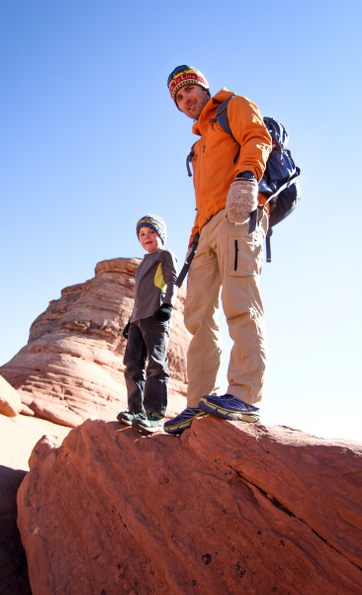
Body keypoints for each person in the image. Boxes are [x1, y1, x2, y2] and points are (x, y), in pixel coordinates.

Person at [163, 65, 272, 435]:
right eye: (178, 97)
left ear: (203, 87)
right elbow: (200, 201)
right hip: (206, 230)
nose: (185, 99)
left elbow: (259, 137)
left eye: (188, 90)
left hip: (237, 212)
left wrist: (246, 178)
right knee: (197, 318)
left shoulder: (233, 106)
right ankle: (198, 403)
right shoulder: (197, 146)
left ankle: (244, 396)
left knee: (240, 302)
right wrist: (194, 238)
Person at [117, 215, 178, 434]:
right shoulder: (142, 263)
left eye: (151, 232)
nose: (146, 237)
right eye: (142, 234)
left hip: (156, 317)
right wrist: (130, 320)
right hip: (137, 320)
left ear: (161, 235)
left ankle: (155, 414)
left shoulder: (165, 255)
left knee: (156, 364)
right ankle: (136, 410)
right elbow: (139, 296)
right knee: (132, 364)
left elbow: (172, 281)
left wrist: (168, 305)